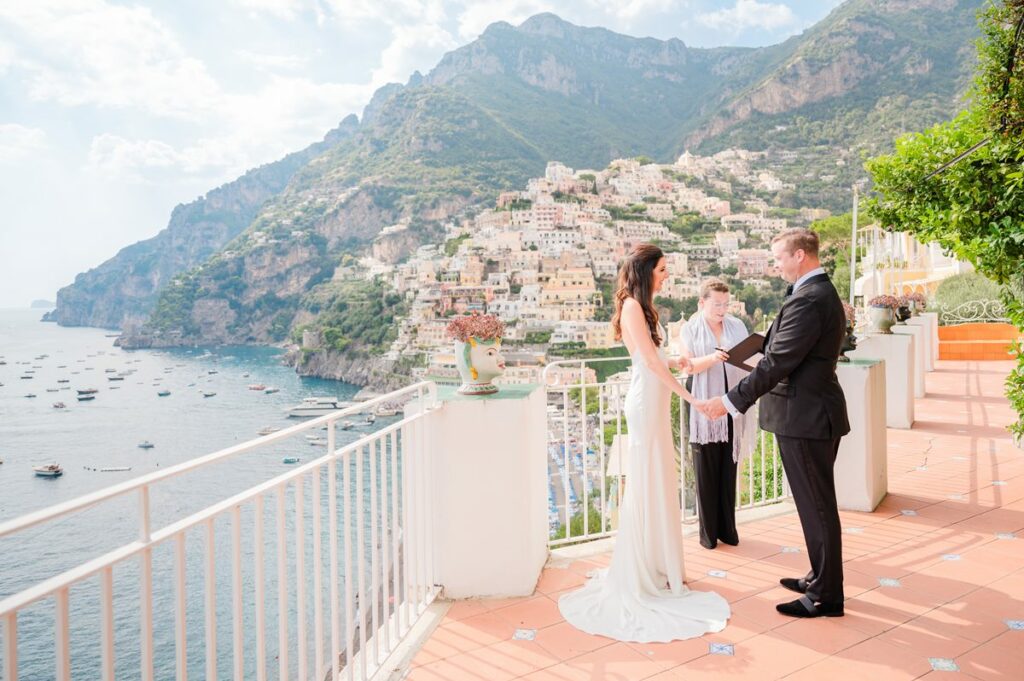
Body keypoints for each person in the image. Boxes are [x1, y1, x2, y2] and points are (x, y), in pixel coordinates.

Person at [558, 243, 730, 642]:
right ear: (647, 270)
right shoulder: (633, 307)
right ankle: (645, 568)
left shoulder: (641, 307)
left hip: (655, 395)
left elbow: (651, 356)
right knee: (647, 481)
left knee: (657, 480)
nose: (667, 274)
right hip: (646, 400)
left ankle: (657, 564)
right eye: (663, 268)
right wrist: (692, 398)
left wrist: (675, 362)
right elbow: (647, 363)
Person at [703, 228, 850, 618]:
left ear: (800, 255)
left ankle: (825, 596)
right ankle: (819, 577)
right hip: (812, 412)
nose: (776, 265)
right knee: (815, 504)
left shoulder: (809, 299)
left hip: (805, 416)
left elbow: (778, 362)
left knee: (817, 506)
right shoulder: (817, 293)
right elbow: (782, 350)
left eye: (779, 257)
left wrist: (731, 401)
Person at [679, 278, 757, 550]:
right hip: (704, 403)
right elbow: (688, 366)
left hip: (732, 402)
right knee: (706, 469)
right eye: (716, 304)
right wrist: (714, 358)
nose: (722, 309)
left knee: (728, 467)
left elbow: (749, 358)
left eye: (726, 304)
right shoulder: (689, 329)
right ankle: (708, 534)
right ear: (702, 303)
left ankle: (728, 530)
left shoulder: (737, 325)